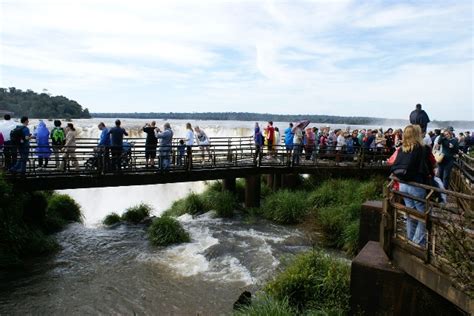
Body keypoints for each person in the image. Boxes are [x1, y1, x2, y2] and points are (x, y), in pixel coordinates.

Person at [390, 125, 434, 246]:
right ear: (417, 134)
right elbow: (430, 165)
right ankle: (417, 242)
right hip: (416, 184)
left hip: (403, 184)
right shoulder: (422, 148)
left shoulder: (402, 148)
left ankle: (410, 239)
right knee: (424, 214)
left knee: (410, 213)